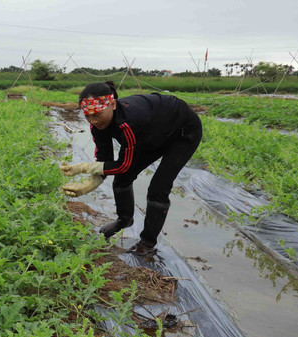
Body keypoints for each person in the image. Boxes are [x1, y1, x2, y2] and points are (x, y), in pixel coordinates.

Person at [60, 81, 202, 257]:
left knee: (158, 187)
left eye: (96, 114)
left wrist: (84, 167)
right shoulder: (98, 124)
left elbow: (123, 164)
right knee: (123, 178)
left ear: (112, 105)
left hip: (182, 132)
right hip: (151, 134)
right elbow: (105, 159)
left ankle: (147, 243)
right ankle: (124, 219)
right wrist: (92, 180)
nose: (93, 121)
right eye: (87, 116)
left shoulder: (128, 122)